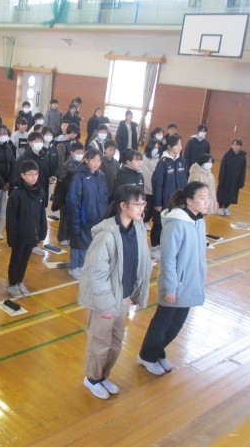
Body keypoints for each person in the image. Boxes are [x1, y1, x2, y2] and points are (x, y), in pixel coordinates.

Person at [79, 185, 152, 399]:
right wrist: (106, 306)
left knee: (116, 341)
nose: (142, 208)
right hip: (106, 299)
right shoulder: (106, 235)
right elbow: (97, 274)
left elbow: (140, 263)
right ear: (123, 206)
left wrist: (136, 292)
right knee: (100, 341)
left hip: (123, 295)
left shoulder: (138, 228)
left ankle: (103, 376)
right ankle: (92, 378)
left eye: (143, 203)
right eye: (137, 204)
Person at [137, 182, 210, 375]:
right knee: (162, 324)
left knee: (176, 325)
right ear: (189, 201)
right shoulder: (176, 224)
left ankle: (158, 352)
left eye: (208, 198)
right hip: (175, 285)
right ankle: (146, 356)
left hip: (190, 284)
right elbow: (168, 259)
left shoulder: (199, 221)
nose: (207, 202)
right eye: (202, 198)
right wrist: (171, 288)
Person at [6, 160, 47, 298]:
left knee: (25, 260)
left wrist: (42, 231)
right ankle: (12, 284)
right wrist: (12, 237)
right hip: (19, 235)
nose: (34, 177)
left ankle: (19, 281)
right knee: (16, 259)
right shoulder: (16, 194)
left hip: (32, 234)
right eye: (30, 174)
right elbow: (11, 219)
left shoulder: (40, 192)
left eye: (36, 174)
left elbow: (42, 214)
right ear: (23, 175)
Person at [66, 148, 109, 279]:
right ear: (86, 160)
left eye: (99, 161)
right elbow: (74, 199)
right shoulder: (79, 176)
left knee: (88, 244)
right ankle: (74, 267)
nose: (96, 163)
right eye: (93, 160)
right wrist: (75, 220)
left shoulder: (101, 176)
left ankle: (82, 265)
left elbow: (104, 196)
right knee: (77, 243)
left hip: (96, 218)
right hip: (82, 218)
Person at [151, 135, 186, 260]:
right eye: (177, 145)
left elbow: (184, 181)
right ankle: (155, 247)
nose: (180, 147)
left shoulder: (182, 161)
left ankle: (165, 246)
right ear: (169, 147)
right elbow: (157, 183)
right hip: (164, 201)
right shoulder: (163, 162)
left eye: (181, 145)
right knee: (159, 224)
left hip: (178, 201)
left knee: (172, 225)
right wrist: (157, 202)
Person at [52, 142, 85, 246]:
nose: (80, 154)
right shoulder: (67, 165)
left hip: (77, 196)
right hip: (66, 195)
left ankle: (69, 236)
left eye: (82, 152)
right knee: (65, 218)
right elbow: (61, 183)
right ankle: (62, 237)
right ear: (72, 153)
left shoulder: (83, 165)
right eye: (78, 152)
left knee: (73, 217)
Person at [217, 139, 246, 216]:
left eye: (238, 145)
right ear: (232, 145)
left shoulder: (242, 157)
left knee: (231, 194)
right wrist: (221, 179)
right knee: (223, 193)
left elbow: (243, 170)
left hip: (235, 181)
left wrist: (241, 181)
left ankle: (226, 207)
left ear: (240, 146)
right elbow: (222, 168)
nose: (236, 146)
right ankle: (220, 207)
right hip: (226, 179)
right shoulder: (227, 155)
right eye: (235, 145)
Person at [141, 139, 161, 228]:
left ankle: (146, 221)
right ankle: (142, 221)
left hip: (155, 189)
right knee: (146, 208)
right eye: (154, 147)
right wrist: (154, 186)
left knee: (151, 209)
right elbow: (147, 176)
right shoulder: (144, 159)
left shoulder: (157, 159)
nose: (156, 149)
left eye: (157, 147)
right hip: (147, 189)